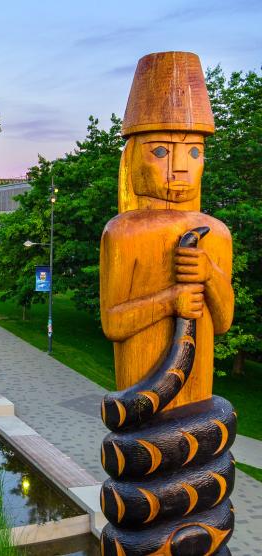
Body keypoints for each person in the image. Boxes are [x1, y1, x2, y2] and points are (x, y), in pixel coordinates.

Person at [100, 52, 234, 410]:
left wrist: (209, 274)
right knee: (142, 437)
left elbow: (223, 321)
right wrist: (170, 300)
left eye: (194, 152)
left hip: (198, 396)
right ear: (132, 158)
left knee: (216, 422)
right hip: (143, 392)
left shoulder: (216, 233)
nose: (181, 168)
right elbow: (113, 324)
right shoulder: (123, 233)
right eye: (161, 151)